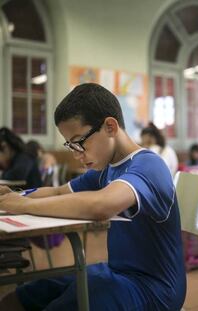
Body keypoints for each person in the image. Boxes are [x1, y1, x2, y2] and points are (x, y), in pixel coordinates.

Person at [0, 83, 186, 311]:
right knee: (24, 295)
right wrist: (15, 196)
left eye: (79, 142)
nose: (77, 154)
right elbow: (59, 191)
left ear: (110, 126)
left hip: (155, 288)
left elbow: (101, 205)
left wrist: (22, 205)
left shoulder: (149, 165)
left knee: (65, 304)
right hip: (117, 271)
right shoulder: (106, 168)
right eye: (70, 145)